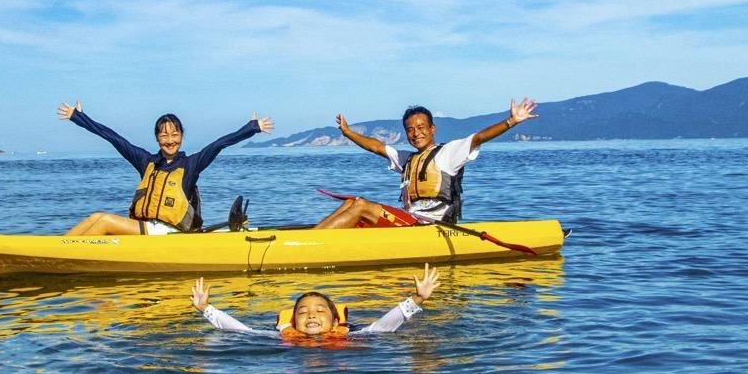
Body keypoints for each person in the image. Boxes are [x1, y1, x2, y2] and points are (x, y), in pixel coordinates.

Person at [313, 99, 537, 229]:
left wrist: (511, 122)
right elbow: (376, 146)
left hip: (431, 227)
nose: (416, 133)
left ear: (432, 129)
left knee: (361, 206)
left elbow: (479, 137)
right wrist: (348, 132)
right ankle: (308, 239)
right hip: (410, 221)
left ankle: (310, 244)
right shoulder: (407, 160)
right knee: (352, 203)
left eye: (421, 127)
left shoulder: (449, 153)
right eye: (410, 129)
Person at [57, 102, 273, 235]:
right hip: (147, 229)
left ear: (182, 136)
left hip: (167, 232)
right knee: (95, 218)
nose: (170, 140)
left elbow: (219, 144)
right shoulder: (146, 162)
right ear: (157, 138)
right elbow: (114, 138)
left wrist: (252, 128)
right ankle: (59, 248)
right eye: (164, 135)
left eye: (175, 134)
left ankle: (61, 252)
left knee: (102, 220)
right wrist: (79, 117)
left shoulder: (191, 165)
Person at [190, 265, 440, 339]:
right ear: (292, 320)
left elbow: (383, 327)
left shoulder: (351, 335)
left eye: (320, 310)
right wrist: (206, 310)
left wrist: (416, 299)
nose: (311, 315)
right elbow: (241, 330)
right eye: (303, 312)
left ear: (335, 320)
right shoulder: (280, 336)